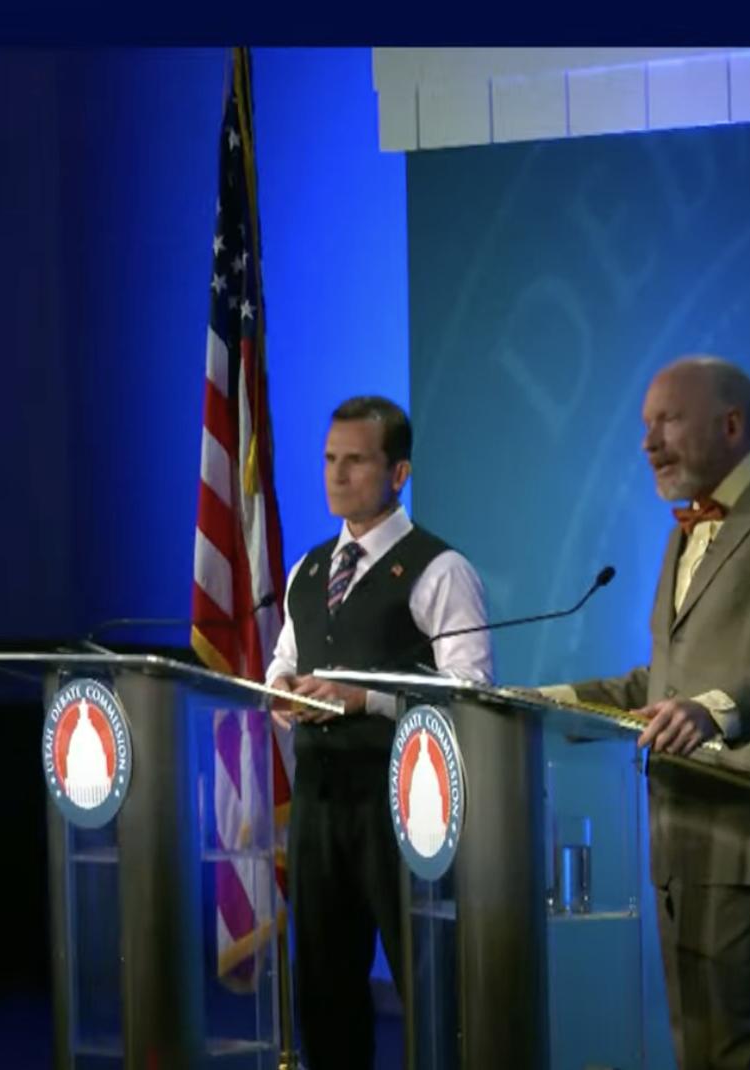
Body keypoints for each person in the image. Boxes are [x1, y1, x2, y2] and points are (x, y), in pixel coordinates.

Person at [539, 355, 750, 1069]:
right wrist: (543, 705)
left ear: (731, 424)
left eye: (667, 420)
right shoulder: (684, 529)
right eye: (644, 425)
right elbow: (662, 681)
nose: (647, 442)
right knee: (702, 1050)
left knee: (735, 1051)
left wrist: (714, 711)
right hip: (680, 827)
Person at [264, 395, 492, 1069]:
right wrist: (281, 691)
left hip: (407, 810)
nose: (337, 475)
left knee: (427, 983)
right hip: (320, 804)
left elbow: (473, 693)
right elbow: (284, 661)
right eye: (331, 459)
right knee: (325, 989)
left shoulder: (441, 570)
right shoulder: (308, 570)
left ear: (399, 474)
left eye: (356, 461)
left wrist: (366, 698)